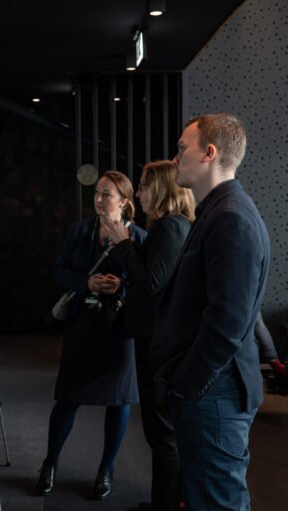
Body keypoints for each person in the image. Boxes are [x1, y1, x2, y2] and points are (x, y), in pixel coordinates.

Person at [150, 113, 271, 510]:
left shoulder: (230, 216)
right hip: (212, 389)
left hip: (213, 392)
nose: (176, 157)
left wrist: (188, 384)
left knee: (217, 502)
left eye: (183, 148)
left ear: (209, 153)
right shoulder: (219, 212)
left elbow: (228, 323)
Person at [37, 170, 147, 500]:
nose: (98, 199)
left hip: (120, 329)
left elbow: (148, 282)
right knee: (67, 399)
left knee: (119, 401)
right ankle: (50, 463)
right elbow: (59, 271)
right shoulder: (79, 231)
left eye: (107, 194)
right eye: (97, 193)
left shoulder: (139, 237)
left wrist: (121, 286)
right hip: (82, 325)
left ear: (124, 201)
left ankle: (106, 468)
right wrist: (86, 282)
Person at [101, 160, 195, 511]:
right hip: (154, 336)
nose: (138, 193)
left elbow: (152, 282)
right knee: (161, 431)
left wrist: (125, 243)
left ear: (161, 189)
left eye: (143, 186)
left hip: (157, 340)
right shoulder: (167, 226)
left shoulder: (171, 227)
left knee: (162, 433)